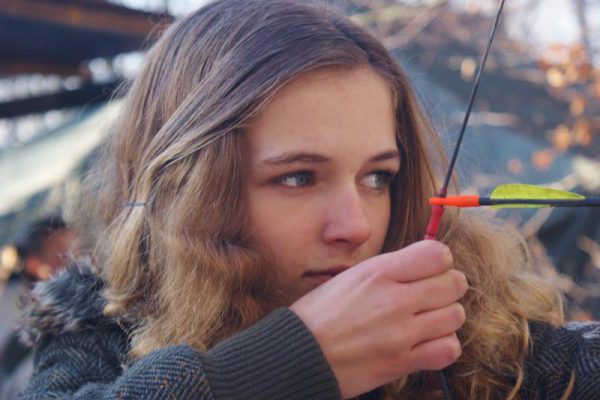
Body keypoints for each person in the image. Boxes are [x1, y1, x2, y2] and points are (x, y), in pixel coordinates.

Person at [18, 1, 600, 399]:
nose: (355, 227)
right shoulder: (98, 332)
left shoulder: (468, 337)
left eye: (378, 178)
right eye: (297, 177)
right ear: (186, 194)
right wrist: (282, 367)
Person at [0, 216, 77, 399]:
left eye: (78, 251)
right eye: (63, 254)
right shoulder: (8, 308)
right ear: (35, 264)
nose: (75, 261)